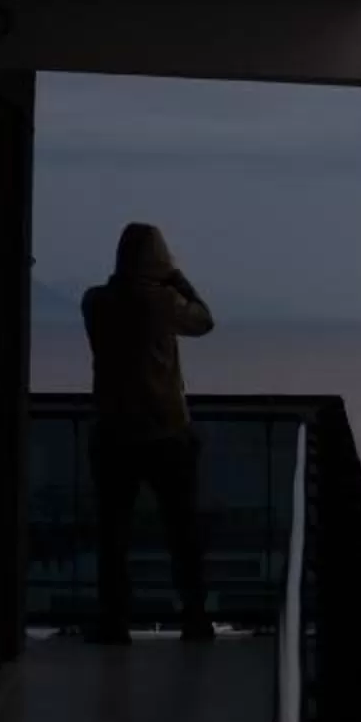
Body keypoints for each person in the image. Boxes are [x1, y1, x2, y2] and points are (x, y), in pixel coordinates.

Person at [81, 222, 217, 643]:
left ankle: (114, 620)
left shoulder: (96, 301)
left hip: (113, 433)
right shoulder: (164, 301)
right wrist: (176, 277)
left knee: (113, 534)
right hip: (166, 432)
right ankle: (194, 617)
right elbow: (204, 321)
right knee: (182, 531)